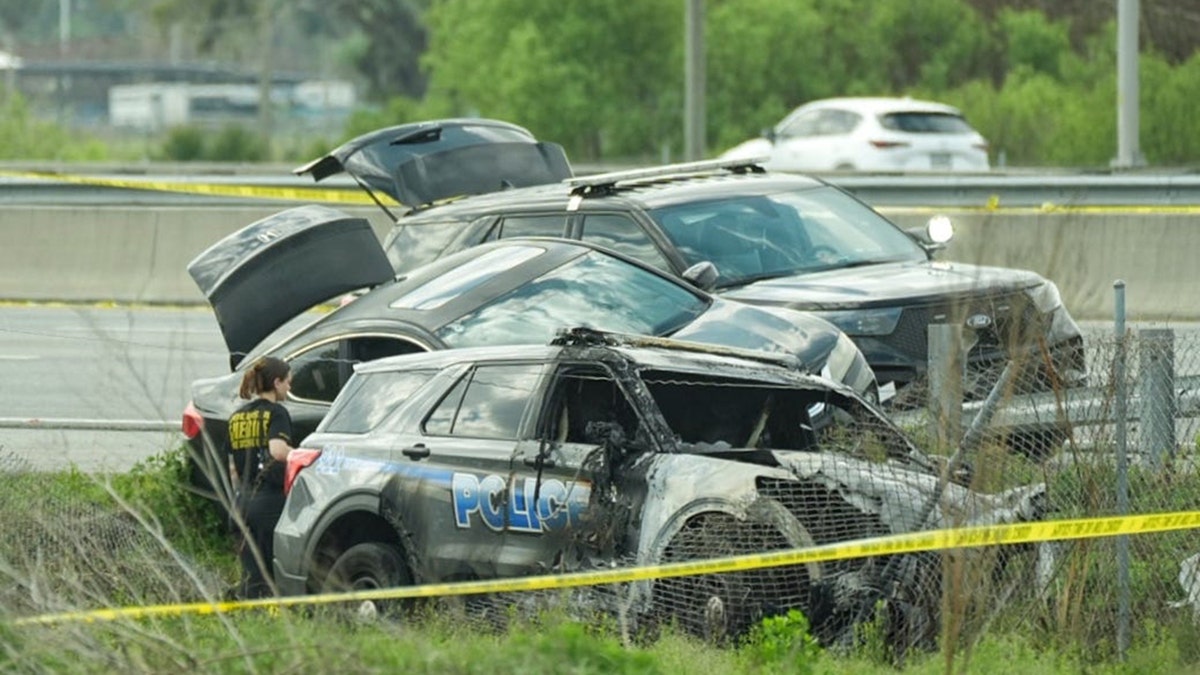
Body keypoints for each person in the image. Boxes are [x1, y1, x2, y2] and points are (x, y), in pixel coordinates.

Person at [226, 355, 294, 599]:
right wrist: (301, 455)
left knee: (251, 569)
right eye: (287, 382)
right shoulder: (276, 413)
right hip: (268, 503)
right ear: (276, 382)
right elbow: (277, 451)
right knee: (269, 569)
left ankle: (242, 609)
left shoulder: (237, 417)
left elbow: (232, 468)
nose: (289, 387)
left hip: (240, 502)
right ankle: (263, 613)